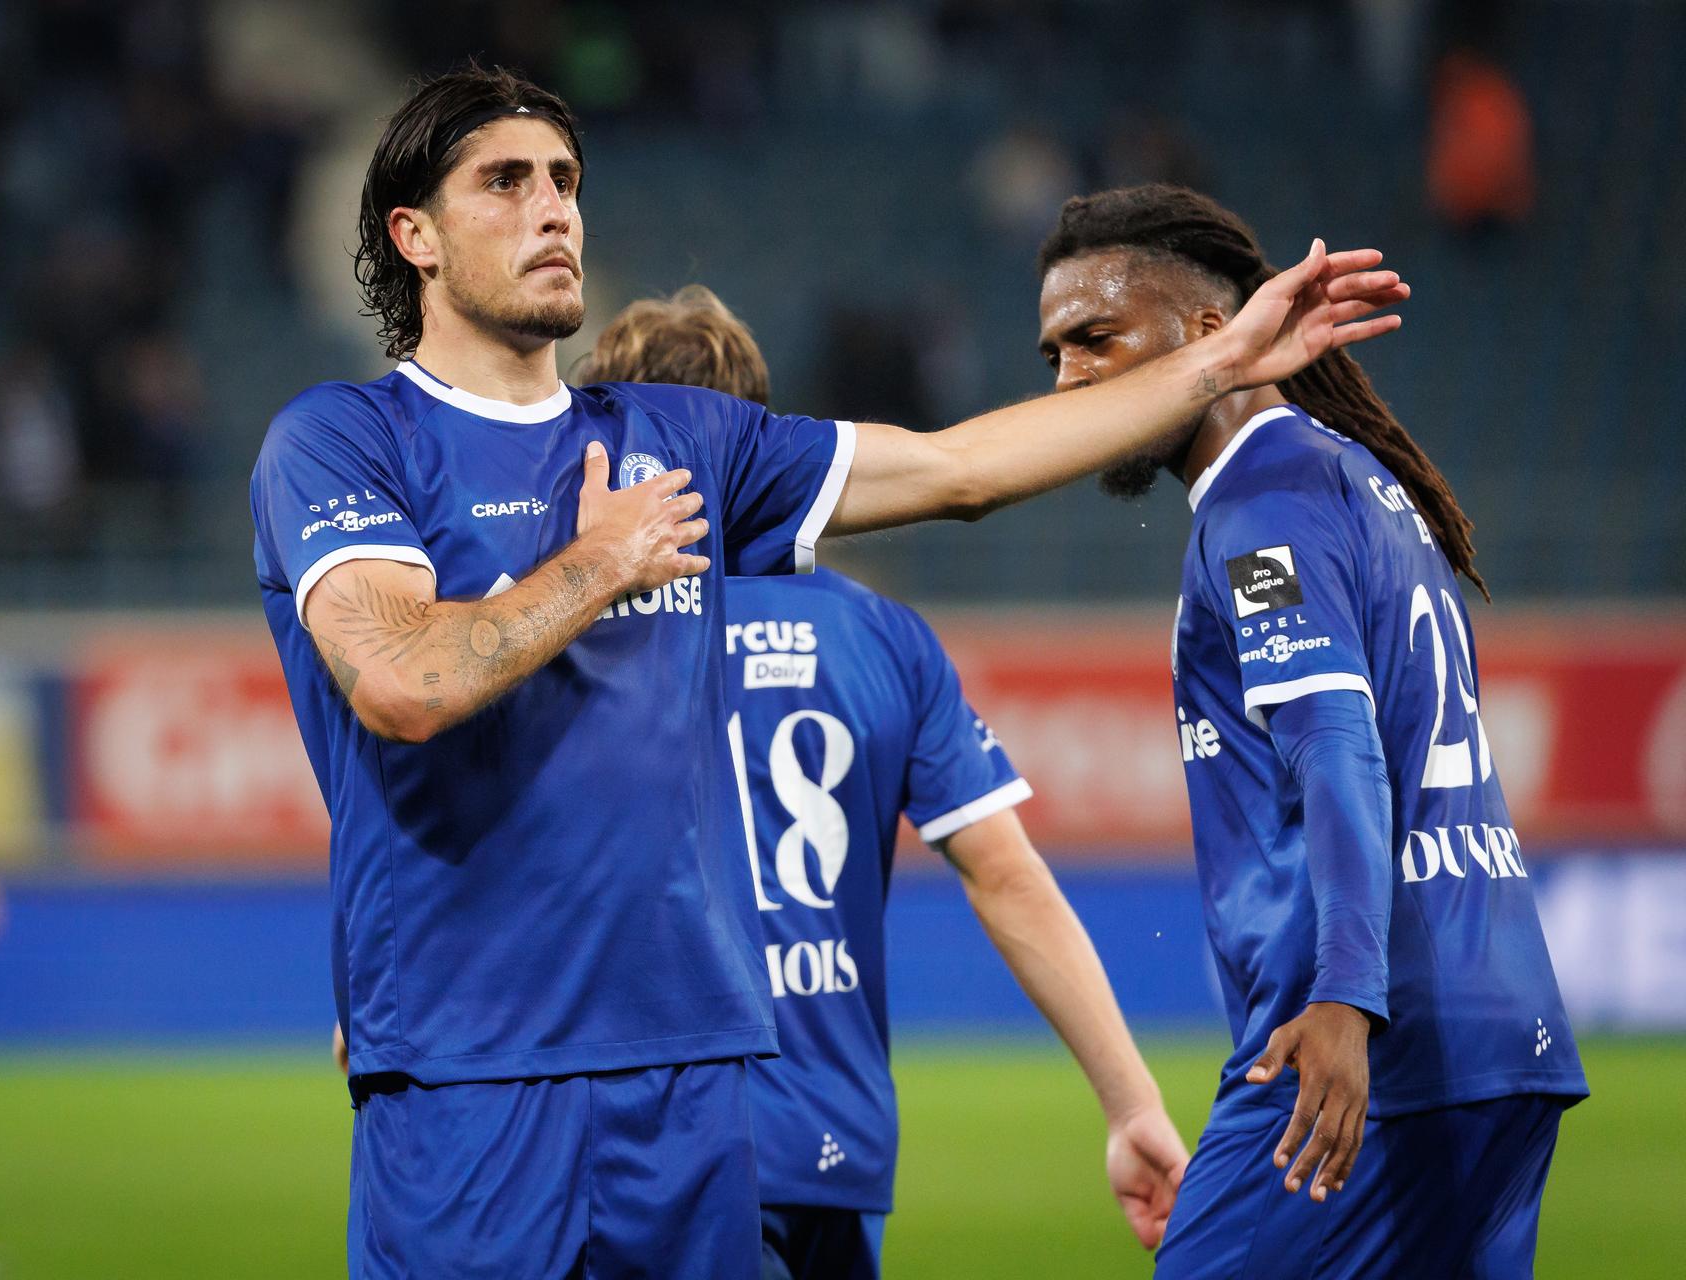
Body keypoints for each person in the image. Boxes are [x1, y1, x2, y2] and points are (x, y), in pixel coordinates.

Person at [248, 65, 1403, 1277]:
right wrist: (595, 564)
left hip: (690, 1089)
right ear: (413, 236)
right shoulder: (342, 442)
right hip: (464, 1077)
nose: (554, 210)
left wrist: (1212, 369)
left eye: (566, 181)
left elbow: (961, 468)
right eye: (505, 181)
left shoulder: (680, 437)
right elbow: (401, 682)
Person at [579, 285, 1192, 1278]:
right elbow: (1008, 875)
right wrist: (1133, 1102)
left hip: (664, 1150)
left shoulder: (585, 634)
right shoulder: (882, 635)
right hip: (837, 1141)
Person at [1030, 184, 1587, 1277]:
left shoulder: (1262, 504)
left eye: (1095, 339)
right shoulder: (1363, 483)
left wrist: (1342, 996)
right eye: (1054, 353)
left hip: (1360, 1044)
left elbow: (1337, 746)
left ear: (1209, 333)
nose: (1068, 380)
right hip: (1505, 1034)